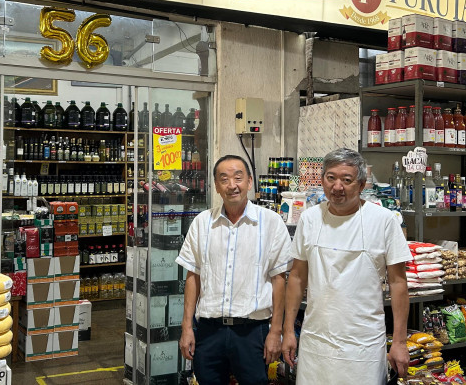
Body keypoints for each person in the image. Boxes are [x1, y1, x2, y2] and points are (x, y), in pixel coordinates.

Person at [281, 148, 411, 384]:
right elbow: (297, 277)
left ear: (361, 185)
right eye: (331, 178)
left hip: (363, 346)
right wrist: (288, 330)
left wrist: (400, 342)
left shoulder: (383, 221)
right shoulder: (310, 218)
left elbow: (398, 283)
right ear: (322, 181)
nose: (337, 187)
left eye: (346, 180)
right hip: (316, 342)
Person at [176, 154, 292, 385]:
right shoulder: (201, 223)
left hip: (251, 332)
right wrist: (187, 327)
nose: (232, 185)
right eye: (224, 179)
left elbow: (279, 280)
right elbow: (193, 277)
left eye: (238, 178)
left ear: (249, 182)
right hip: (209, 330)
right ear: (216, 186)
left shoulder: (270, 222)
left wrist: (275, 332)